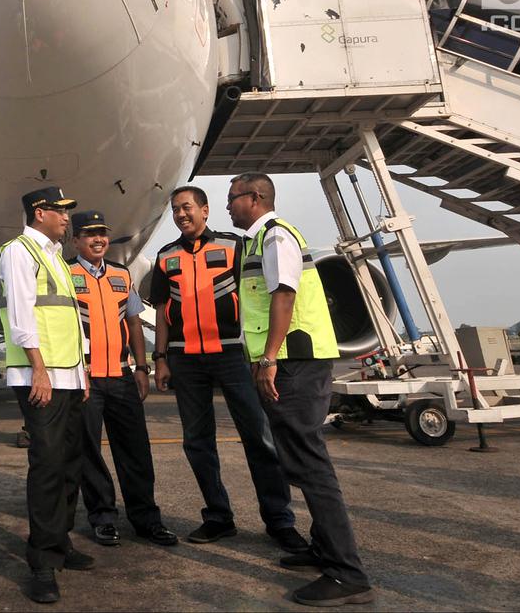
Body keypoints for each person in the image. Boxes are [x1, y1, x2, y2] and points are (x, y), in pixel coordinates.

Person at [227, 172, 373, 607]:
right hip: (287, 363)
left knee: (311, 466)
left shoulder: (275, 237)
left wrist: (269, 358)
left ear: (254, 198)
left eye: (232, 198)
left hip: (294, 363)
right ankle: (324, 549)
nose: (228, 206)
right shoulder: (256, 242)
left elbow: (284, 296)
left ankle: (348, 574)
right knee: (298, 460)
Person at [150, 186, 307, 554]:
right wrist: (160, 358)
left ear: (204, 210)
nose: (181, 215)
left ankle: (280, 520)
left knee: (259, 437)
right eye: (175, 210)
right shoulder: (165, 255)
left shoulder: (235, 246)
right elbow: (160, 311)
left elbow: (258, 293)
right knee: (197, 442)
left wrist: (266, 352)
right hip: (185, 358)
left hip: (233, 353)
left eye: (187, 207)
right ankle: (218, 516)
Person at [0, 185, 93, 604]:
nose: (66, 218)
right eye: (60, 211)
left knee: (71, 463)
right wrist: (38, 368)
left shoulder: (55, 256)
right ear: (39, 212)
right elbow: (22, 315)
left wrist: (83, 370)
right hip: (43, 376)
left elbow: (69, 318)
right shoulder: (20, 251)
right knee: (49, 465)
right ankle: (41, 560)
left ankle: (60, 542)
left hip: (69, 375)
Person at [67, 209, 177, 548]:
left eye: (102, 233)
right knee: (89, 453)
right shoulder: (65, 274)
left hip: (121, 375)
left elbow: (132, 322)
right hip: (85, 377)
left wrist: (142, 368)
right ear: (76, 241)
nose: (99, 239)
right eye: (90, 234)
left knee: (136, 450)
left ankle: (147, 519)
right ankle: (102, 518)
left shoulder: (120, 275)